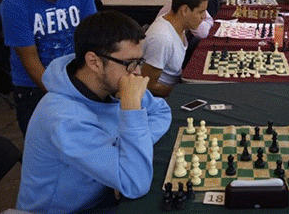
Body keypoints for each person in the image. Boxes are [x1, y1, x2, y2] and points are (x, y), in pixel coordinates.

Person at [17, 11, 172, 213]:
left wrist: (126, 152)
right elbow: (135, 183)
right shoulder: (63, 119)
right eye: (130, 63)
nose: (137, 73)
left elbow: (161, 110)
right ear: (94, 62)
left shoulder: (114, 82)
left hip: (100, 192)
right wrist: (131, 110)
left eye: (139, 62)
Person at [0, 0, 97, 135]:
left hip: (77, 78)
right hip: (34, 88)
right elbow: (31, 61)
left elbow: (93, 38)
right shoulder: (15, 3)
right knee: (45, 148)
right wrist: (67, 97)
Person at [141, 0, 209, 97]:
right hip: (165, 99)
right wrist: (183, 93)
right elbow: (148, 84)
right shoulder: (162, 39)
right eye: (201, 12)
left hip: (178, 85)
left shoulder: (176, 24)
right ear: (185, 10)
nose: (204, 17)